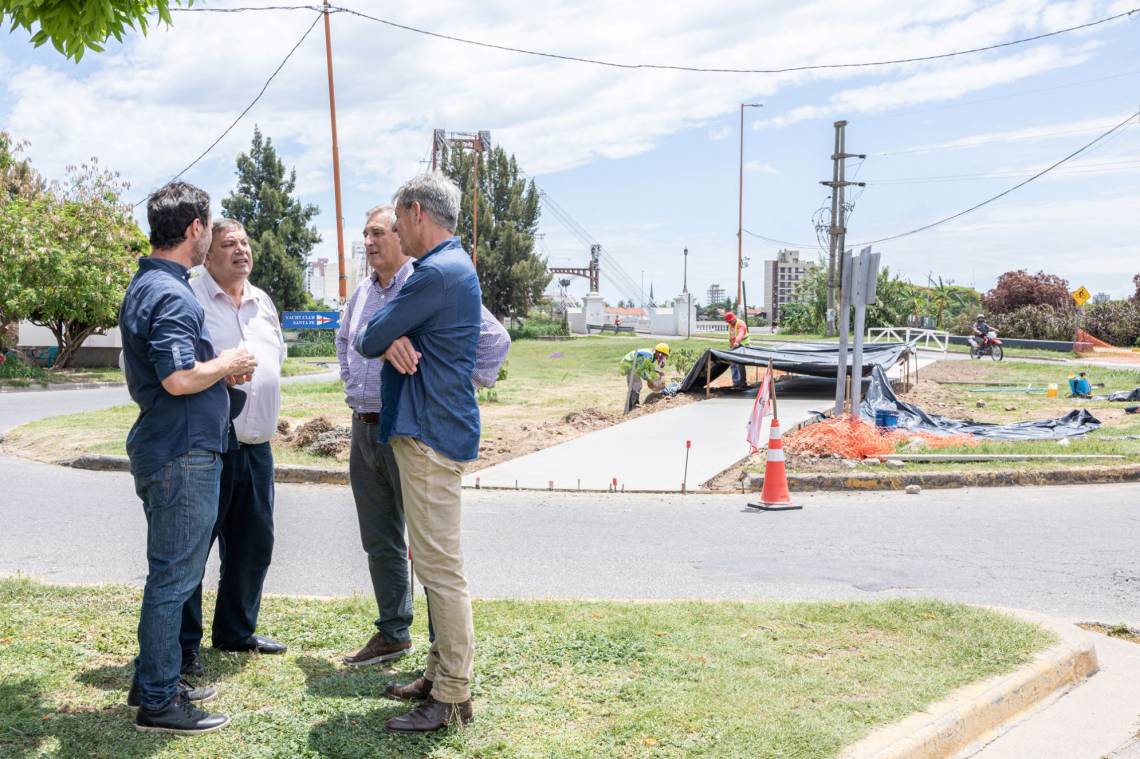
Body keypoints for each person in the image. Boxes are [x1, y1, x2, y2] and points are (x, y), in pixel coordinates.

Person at [336, 203, 507, 670]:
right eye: (365, 234)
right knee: (381, 540)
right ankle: (393, 632)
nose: (369, 243)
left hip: (413, 425)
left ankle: (441, 652)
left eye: (378, 233)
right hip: (366, 426)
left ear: (405, 228)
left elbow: (494, 340)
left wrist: (447, 385)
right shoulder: (362, 294)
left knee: (428, 552)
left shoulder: (431, 279)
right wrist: (370, 357)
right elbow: (351, 338)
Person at [119, 181, 257, 735]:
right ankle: (157, 701)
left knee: (171, 574)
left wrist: (219, 368)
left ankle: (154, 677)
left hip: (169, 447)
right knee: (174, 579)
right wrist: (227, 362)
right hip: (182, 453)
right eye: (211, 227)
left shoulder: (148, 282)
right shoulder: (173, 293)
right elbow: (177, 378)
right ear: (196, 229)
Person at [355, 173, 482, 733]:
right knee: (432, 565)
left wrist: (389, 336)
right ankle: (438, 675)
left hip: (430, 435)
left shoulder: (434, 273)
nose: (396, 230)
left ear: (414, 212)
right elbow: (378, 335)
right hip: (432, 431)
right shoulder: (450, 269)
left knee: (440, 570)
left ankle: (453, 694)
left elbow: (367, 334)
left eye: (398, 220)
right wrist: (395, 339)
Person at [179, 219, 288, 676]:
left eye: (245, 242)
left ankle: (235, 631)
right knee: (193, 550)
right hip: (211, 448)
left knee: (254, 543)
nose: (241, 250)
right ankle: (183, 647)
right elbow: (175, 366)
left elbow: (275, 359)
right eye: (228, 244)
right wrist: (217, 370)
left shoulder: (262, 301)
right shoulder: (190, 298)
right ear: (207, 255)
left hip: (257, 446)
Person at [620, 343, 669, 414]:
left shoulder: (651, 356)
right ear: (659, 353)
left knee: (635, 386)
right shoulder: (649, 355)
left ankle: (630, 408)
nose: (663, 359)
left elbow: (645, 366)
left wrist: (654, 372)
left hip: (632, 364)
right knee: (637, 385)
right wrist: (650, 380)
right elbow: (643, 370)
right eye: (663, 356)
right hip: (629, 364)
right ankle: (633, 406)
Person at [724, 311, 751, 388]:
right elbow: (732, 337)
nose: (729, 323)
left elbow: (741, 334)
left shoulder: (741, 323)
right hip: (734, 347)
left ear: (733, 319)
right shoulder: (730, 325)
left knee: (739, 364)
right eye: (728, 322)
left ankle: (743, 383)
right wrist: (732, 346)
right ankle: (736, 383)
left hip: (743, 346)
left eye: (730, 321)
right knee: (733, 363)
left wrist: (737, 342)